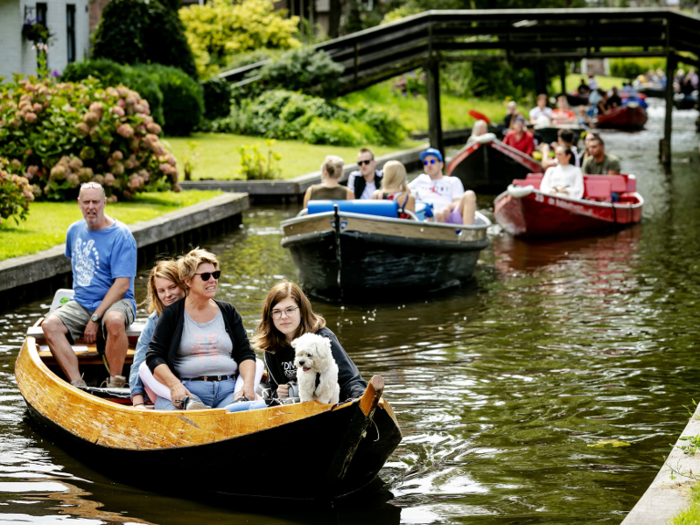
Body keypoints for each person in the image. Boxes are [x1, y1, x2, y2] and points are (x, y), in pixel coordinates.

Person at [42, 182, 136, 389]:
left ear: (104, 202)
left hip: (117, 301)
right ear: (79, 203)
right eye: (86, 202)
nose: (91, 206)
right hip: (82, 302)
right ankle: (78, 384)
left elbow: (122, 286)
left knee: (113, 320)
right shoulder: (74, 231)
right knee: (50, 325)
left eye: (95, 201)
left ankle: (115, 383)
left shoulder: (121, 235)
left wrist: (95, 318)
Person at [146, 249, 257, 410]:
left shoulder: (228, 311)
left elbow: (245, 353)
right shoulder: (172, 314)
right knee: (189, 423)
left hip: (229, 392)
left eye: (215, 275)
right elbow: (154, 356)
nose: (212, 280)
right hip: (188, 393)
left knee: (250, 416)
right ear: (188, 281)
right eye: (205, 276)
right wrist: (175, 385)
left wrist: (248, 384)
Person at [253, 281, 367, 401]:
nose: (284, 316)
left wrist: (360, 399)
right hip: (295, 406)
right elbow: (274, 388)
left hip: (331, 404)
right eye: (277, 312)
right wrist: (279, 394)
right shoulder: (271, 347)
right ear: (270, 316)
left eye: (290, 310)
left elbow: (350, 379)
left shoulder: (321, 339)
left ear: (301, 311)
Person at [129, 259, 187, 409]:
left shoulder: (202, 312)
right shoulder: (154, 321)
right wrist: (138, 402)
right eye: (161, 291)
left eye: (172, 287)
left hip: (195, 382)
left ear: (184, 283)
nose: (167, 295)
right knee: (143, 366)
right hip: (165, 386)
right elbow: (139, 362)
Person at [408, 148, 476, 226]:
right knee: (434, 214)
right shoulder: (420, 179)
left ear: (441, 165)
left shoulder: (453, 181)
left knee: (469, 194)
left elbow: (458, 201)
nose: (429, 165)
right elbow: (404, 190)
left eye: (432, 161)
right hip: (428, 215)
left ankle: (468, 232)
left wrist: (448, 207)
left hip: (451, 215)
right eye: (425, 163)